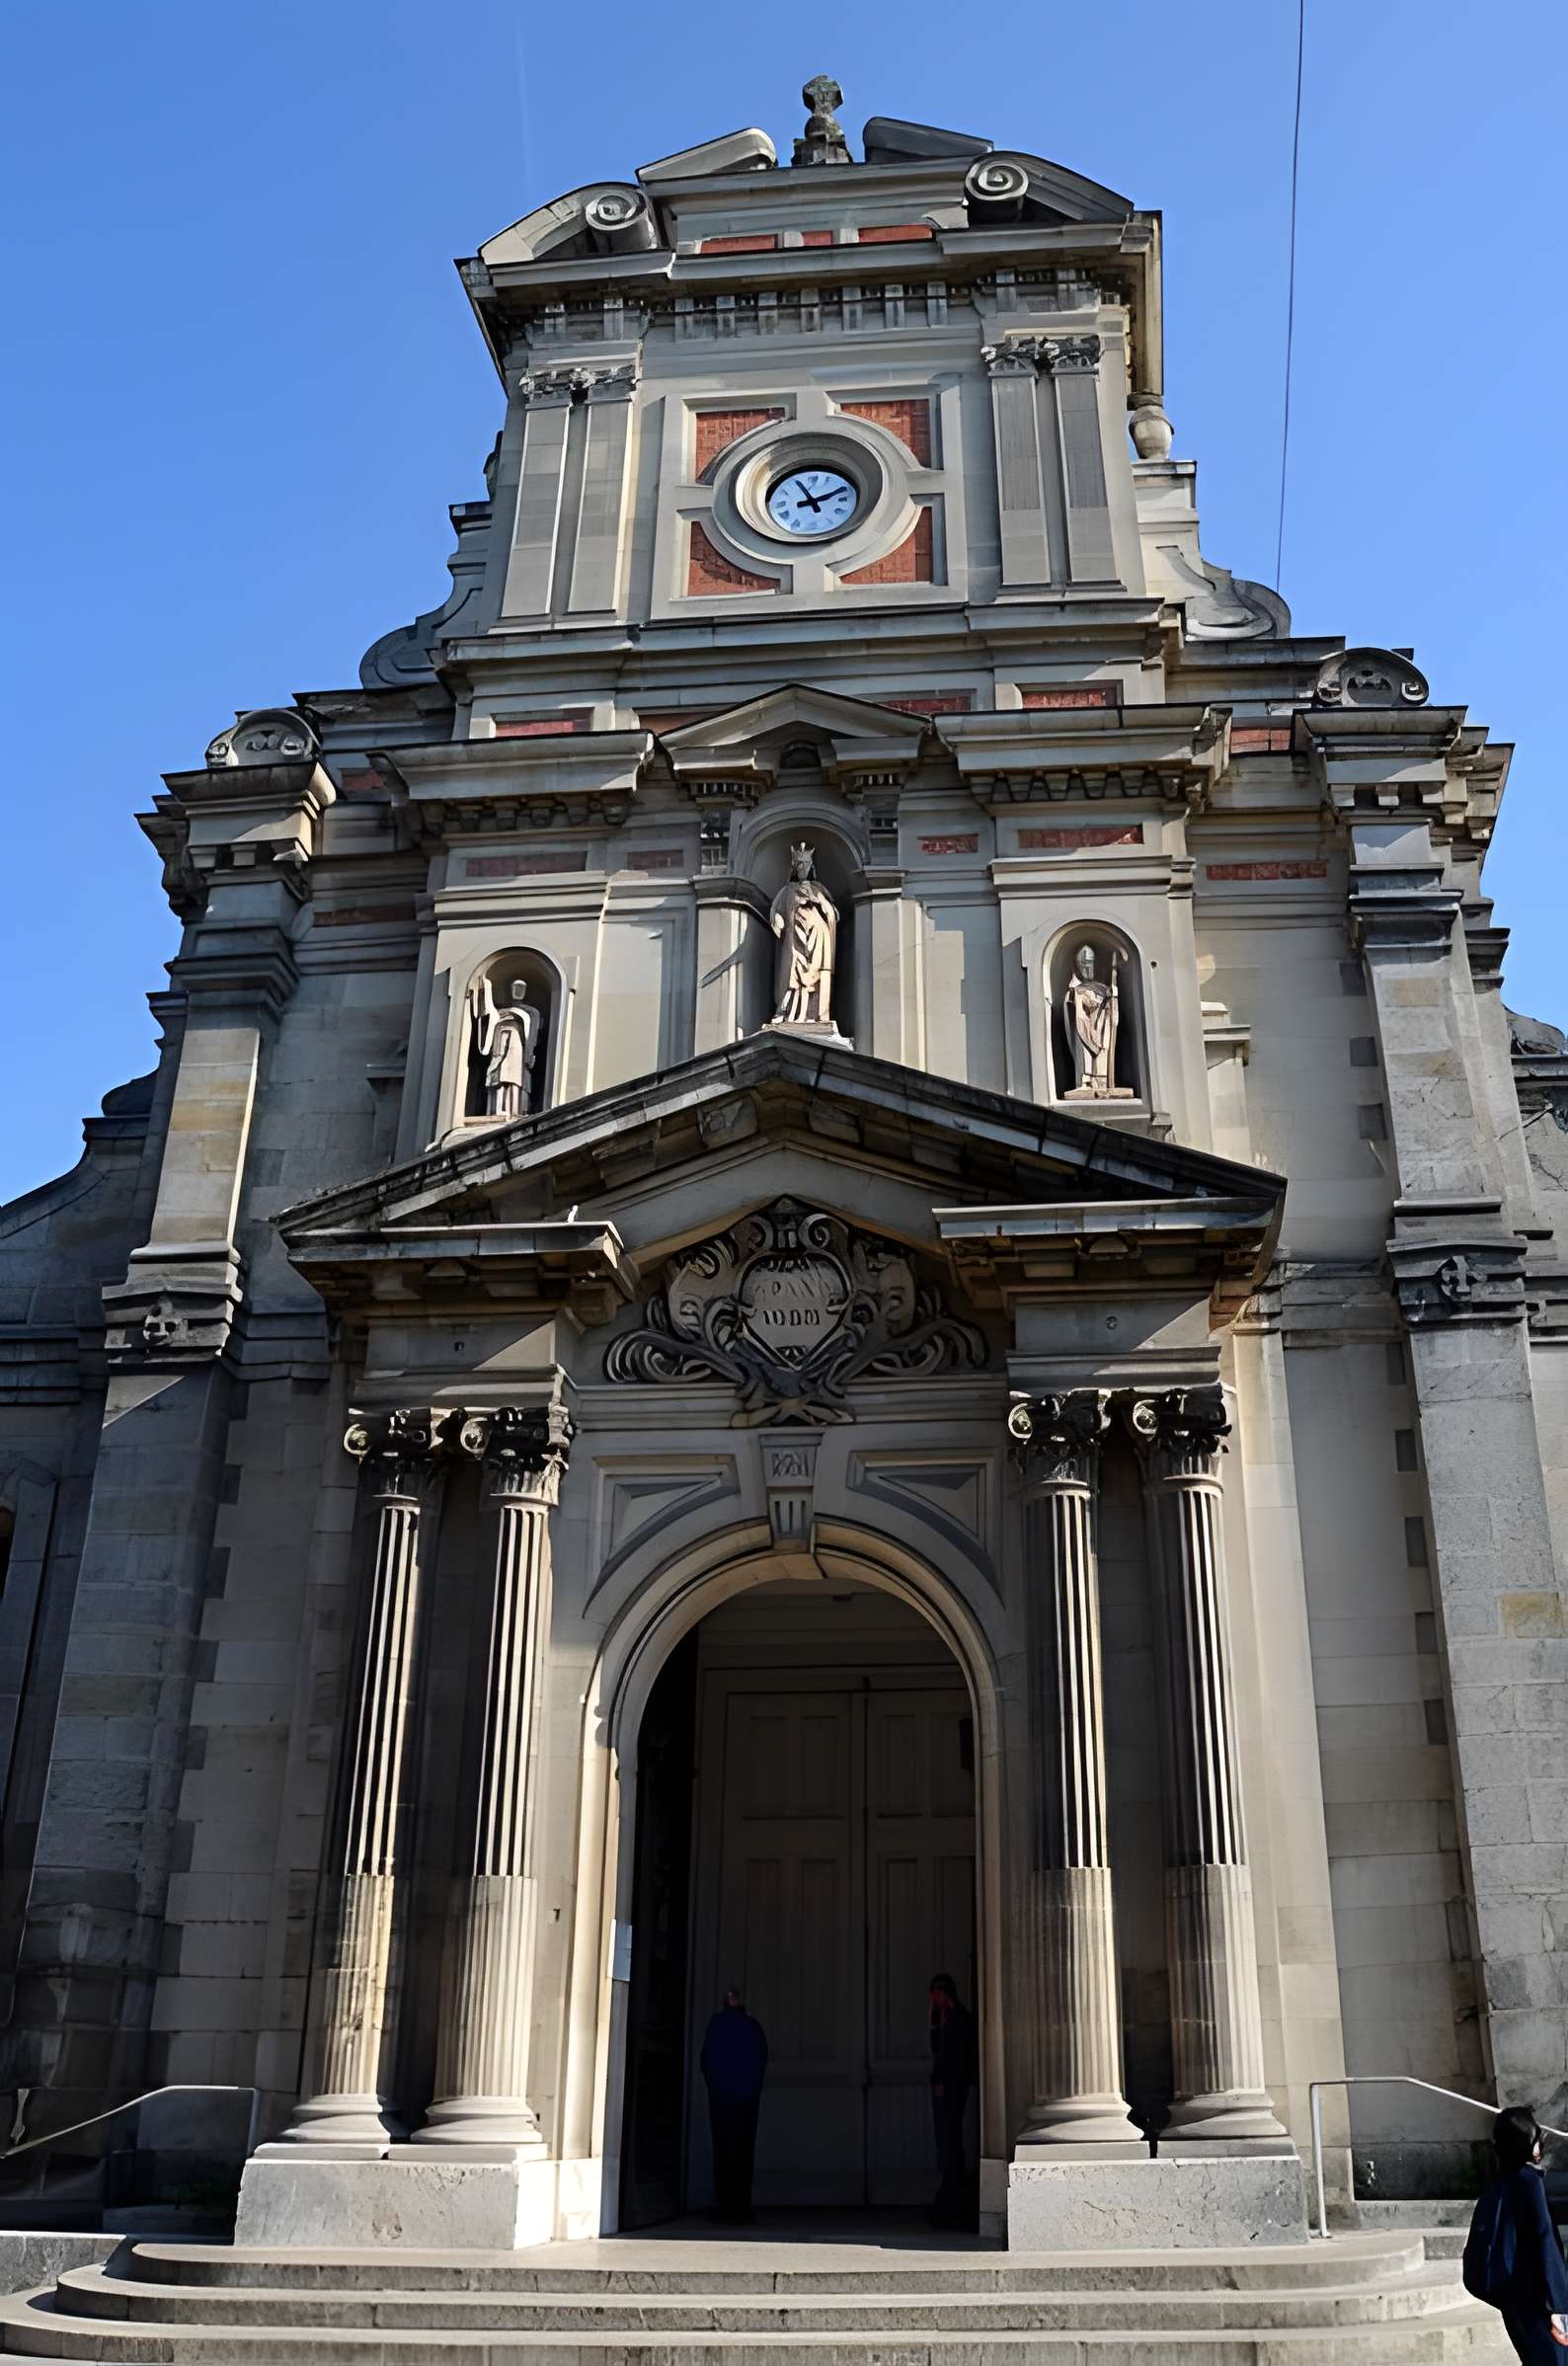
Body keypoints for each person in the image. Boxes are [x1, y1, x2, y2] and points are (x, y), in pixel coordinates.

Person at [1462, 2104, 1568, 2360]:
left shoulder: (1498, 2182)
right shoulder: (1530, 2183)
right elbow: (1546, 2242)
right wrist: (1560, 2305)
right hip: (1539, 2301)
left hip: (1512, 2297)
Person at [699, 1986, 768, 2224]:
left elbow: (706, 2060)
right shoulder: (752, 2027)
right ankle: (741, 2207)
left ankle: (726, 2206)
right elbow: (761, 2059)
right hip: (746, 2098)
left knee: (723, 2151)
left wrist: (716, 2087)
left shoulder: (716, 2025)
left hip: (721, 2097)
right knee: (743, 2152)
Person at [927, 1971, 978, 2230]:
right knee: (946, 2140)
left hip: (952, 2089)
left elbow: (954, 2057)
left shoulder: (960, 2020)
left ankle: (953, 2197)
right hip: (945, 2088)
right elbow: (937, 2050)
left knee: (951, 2139)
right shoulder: (946, 2020)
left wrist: (944, 2082)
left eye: (934, 1993)